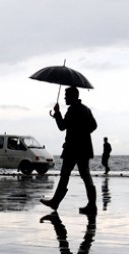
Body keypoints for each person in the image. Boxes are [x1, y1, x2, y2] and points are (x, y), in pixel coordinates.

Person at [40, 86, 98, 215]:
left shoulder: (72, 110)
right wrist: (83, 134)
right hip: (83, 149)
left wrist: (57, 113)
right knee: (85, 176)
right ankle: (92, 205)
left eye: (66, 96)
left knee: (65, 175)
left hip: (72, 149)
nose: (65, 98)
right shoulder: (85, 110)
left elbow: (62, 126)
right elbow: (94, 125)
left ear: (73, 96)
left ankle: (56, 201)